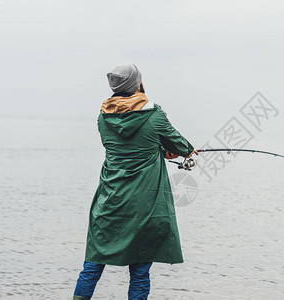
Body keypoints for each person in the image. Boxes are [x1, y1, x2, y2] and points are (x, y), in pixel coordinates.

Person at [73, 64, 197, 300]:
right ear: (137, 84)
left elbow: (126, 147)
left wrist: (159, 150)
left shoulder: (103, 117)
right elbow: (181, 146)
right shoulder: (154, 115)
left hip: (109, 203)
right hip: (145, 206)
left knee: (93, 265)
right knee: (140, 273)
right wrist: (181, 152)